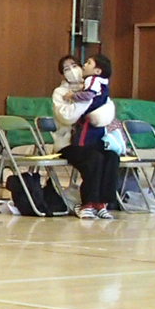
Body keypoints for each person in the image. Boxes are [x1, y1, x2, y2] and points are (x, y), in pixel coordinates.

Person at [60, 53, 121, 218]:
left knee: (111, 157)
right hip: (71, 143)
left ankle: (102, 203)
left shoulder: (94, 85)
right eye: (66, 69)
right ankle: (87, 203)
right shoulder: (61, 92)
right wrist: (80, 100)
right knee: (94, 158)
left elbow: (106, 112)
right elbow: (67, 117)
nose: (73, 70)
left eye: (75, 65)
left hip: (93, 139)